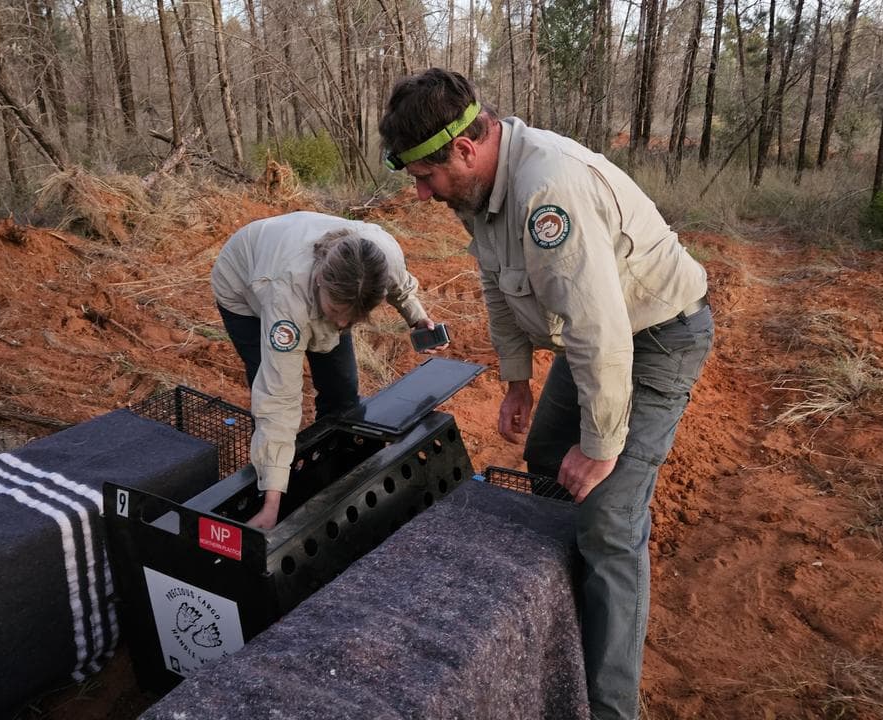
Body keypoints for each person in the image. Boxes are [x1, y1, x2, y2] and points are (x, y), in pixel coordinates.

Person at [379, 69, 714, 720]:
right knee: (544, 457)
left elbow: (603, 334)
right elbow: (498, 287)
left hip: (655, 337)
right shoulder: (477, 192)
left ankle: (610, 704)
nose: (420, 195)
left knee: (610, 522)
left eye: (425, 177)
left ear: (466, 148)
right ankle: (561, 608)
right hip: (594, 338)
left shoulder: (545, 191)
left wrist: (604, 445)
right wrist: (515, 381)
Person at [211, 211, 441, 530]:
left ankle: (345, 474)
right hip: (244, 283)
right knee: (268, 382)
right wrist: (272, 503)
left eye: (355, 317)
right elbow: (279, 401)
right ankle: (268, 487)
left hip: (300, 265)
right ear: (321, 280)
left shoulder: (382, 254)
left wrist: (416, 317)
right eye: (336, 312)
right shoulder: (285, 299)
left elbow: (397, 286)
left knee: (342, 390)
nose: (344, 325)